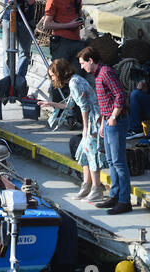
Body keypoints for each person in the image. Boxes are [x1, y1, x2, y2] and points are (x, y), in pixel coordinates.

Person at [38, 59, 107, 202]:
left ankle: (97, 188)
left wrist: (86, 128)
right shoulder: (75, 80)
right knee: (83, 153)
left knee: (91, 152)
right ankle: (86, 185)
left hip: (94, 120)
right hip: (92, 118)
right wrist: (51, 104)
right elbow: (70, 104)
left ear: (60, 73)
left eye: (53, 75)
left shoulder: (74, 82)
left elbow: (83, 107)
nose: (52, 78)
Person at [77, 46, 132, 215]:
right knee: (110, 160)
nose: (82, 67)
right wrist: (103, 123)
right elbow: (105, 100)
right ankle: (114, 196)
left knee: (119, 162)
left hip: (116, 121)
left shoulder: (106, 72)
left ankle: (124, 200)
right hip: (107, 122)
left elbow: (119, 95)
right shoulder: (98, 74)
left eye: (82, 63)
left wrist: (114, 117)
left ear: (91, 61)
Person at [43, 0, 85, 126]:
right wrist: (69, 25)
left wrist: (79, 22)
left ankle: (77, 116)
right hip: (61, 42)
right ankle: (59, 115)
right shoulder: (53, 1)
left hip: (76, 41)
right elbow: (47, 24)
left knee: (78, 79)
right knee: (58, 78)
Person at [2, 0, 36, 79]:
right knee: (7, 53)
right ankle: (8, 82)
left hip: (26, 17)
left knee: (24, 53)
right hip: (8, 16)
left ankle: (19, 82)